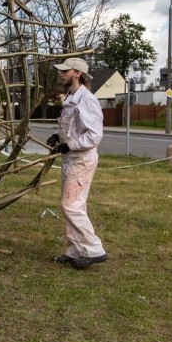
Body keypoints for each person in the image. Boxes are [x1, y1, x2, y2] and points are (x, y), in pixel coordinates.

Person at [47, 57, 108, 270]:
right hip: (71, 159)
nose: (61, 74)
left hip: (81, 160)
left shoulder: (87, 100)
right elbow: (71, 126)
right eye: (61, 71)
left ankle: (94, 250)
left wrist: (70, 145)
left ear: (77, 73)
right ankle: (74, 250)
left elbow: (94, 136)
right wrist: (57, 137)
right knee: (73, 205)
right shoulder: (70, 97)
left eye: (65, 71)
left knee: (70, 205)